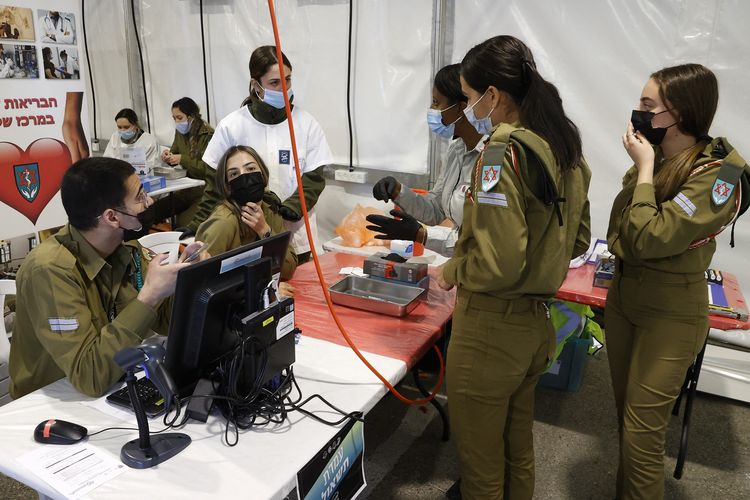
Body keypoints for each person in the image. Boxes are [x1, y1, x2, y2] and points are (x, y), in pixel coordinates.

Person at [437, 36, 591, 500]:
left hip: (490, 330)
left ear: (493, 95)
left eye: (467, 98)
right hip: (535, 325)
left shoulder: (502, 154)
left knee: (481, 466)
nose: (466, 109)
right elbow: (578, 241)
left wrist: (450, 271)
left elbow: (499, 264)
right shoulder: (565, 150)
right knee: (516, 448)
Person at [605, 63, 749, 500]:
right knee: (627, 425)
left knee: (643, 437)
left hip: (671, 313)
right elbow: (622, 232)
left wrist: (644, 168)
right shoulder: (664, 156)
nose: (637, 113)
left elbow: (647, 236)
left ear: (680, 113)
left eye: (648, 106)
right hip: (625, 297)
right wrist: (648, 167)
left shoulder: (719, 175)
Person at [8, 157, 207, 399]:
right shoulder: (50, 270)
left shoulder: (123, 251)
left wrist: (189, 276)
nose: (150, 202)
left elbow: (165, 322)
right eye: (140, 197)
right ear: (112, 217)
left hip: (114, 384)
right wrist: (149, 296)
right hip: (53, 403)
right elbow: (90, 375)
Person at [202, 45, 332, 263]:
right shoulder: (232, 126)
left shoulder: (306, 124)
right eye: (274, 82)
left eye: (288, 80)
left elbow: (314, 178)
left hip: (297, 236)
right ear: (256, 84)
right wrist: (200, 225)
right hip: (244, 236)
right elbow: (213, 183)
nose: (284, 88)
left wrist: (291, 208)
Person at [365, 63, 484, 256]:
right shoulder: (456, 151)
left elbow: (482, 241)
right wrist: (398, 191)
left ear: (462, 108)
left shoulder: (490, 158)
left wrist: (421, 235)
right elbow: (437, 210)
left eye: (437, 102)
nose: (431, 109)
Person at [196, 145, 297, 283]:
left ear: (263, 173)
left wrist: (264, 231)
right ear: (227, 186)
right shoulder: (224, 222)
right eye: (234, 174)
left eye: (250, 169)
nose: (245, 177)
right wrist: (261, 290)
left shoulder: (269, 209)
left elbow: (288, 269)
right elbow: (201, 284)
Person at [153, 97, 218, 230]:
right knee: (150, 213)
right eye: (174, 118)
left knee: (182, 226)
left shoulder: (208, 135)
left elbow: (209, 170)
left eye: (179, 117)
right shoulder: (180, 132)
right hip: (184, 190)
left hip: (203, 192)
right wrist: (168, 156)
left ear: (191, 116)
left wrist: (182, 159)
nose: (177, 122)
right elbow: (174, 152)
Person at [103, 108, 160, 175]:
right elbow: (107, 160)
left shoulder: (149, 140)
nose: (122, 130)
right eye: (119, 127)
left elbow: (153, 165)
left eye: (126, 127)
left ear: (135, 125)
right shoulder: (115, 137)